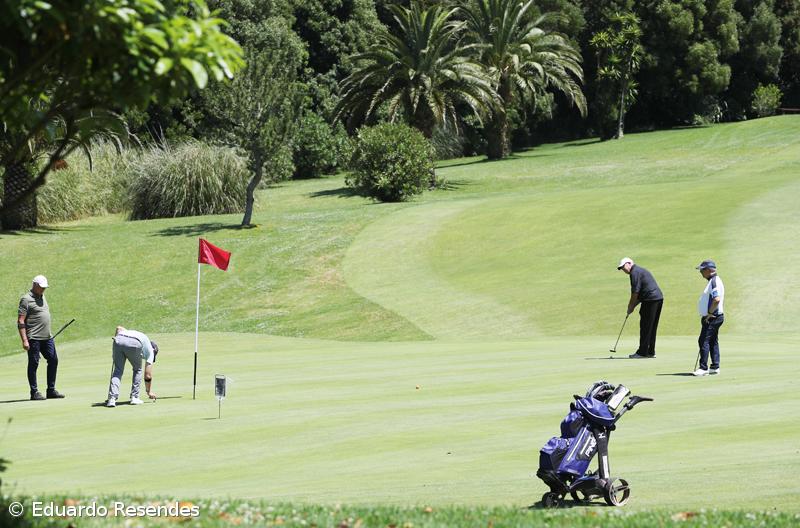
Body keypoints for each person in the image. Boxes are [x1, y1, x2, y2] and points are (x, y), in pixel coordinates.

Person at [18, 275, 65, 400]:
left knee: (53, 360)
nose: (44, 290)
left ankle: (51, 390)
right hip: (33, 338)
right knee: (34, 363)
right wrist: (24, 340)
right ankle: (34, 392)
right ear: (35, 285)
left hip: (47, 337)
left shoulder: (43, 296)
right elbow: (21, 321)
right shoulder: (26, 299)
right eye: (41, 287)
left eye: (45, 287)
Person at [617, 257, 664, 359]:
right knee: (651, 327)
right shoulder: (639, 270)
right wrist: (633, 306)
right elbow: (640, 295)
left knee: (645, 326)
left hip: (650, 300)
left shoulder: (634, 272)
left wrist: (630, 306)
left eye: (623, 267)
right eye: (621, 268)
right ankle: (650, 351)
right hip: (658, 299)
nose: (623, 270)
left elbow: (635, 293)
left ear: (629, 263)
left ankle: (642, 352)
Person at [106, 326, 158, 407]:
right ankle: (134, 397)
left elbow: (118, 328)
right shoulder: (151, 351)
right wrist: (149, 391)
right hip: (134, 343)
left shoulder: (140, 336)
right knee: (138, 370)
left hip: (118, 340)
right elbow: (148, 375)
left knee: (117, 371)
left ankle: (111, 399)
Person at [693, 260, 725, 376]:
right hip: (715, 316)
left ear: (709, 270)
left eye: (702, 270)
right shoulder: (713, 281)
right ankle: (715, 366)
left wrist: (709, 313)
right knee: (712, 341)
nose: (701, 272)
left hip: (713, 317)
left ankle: (703, 368)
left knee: (703, 340)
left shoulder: (714, 282)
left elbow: (716, 300)